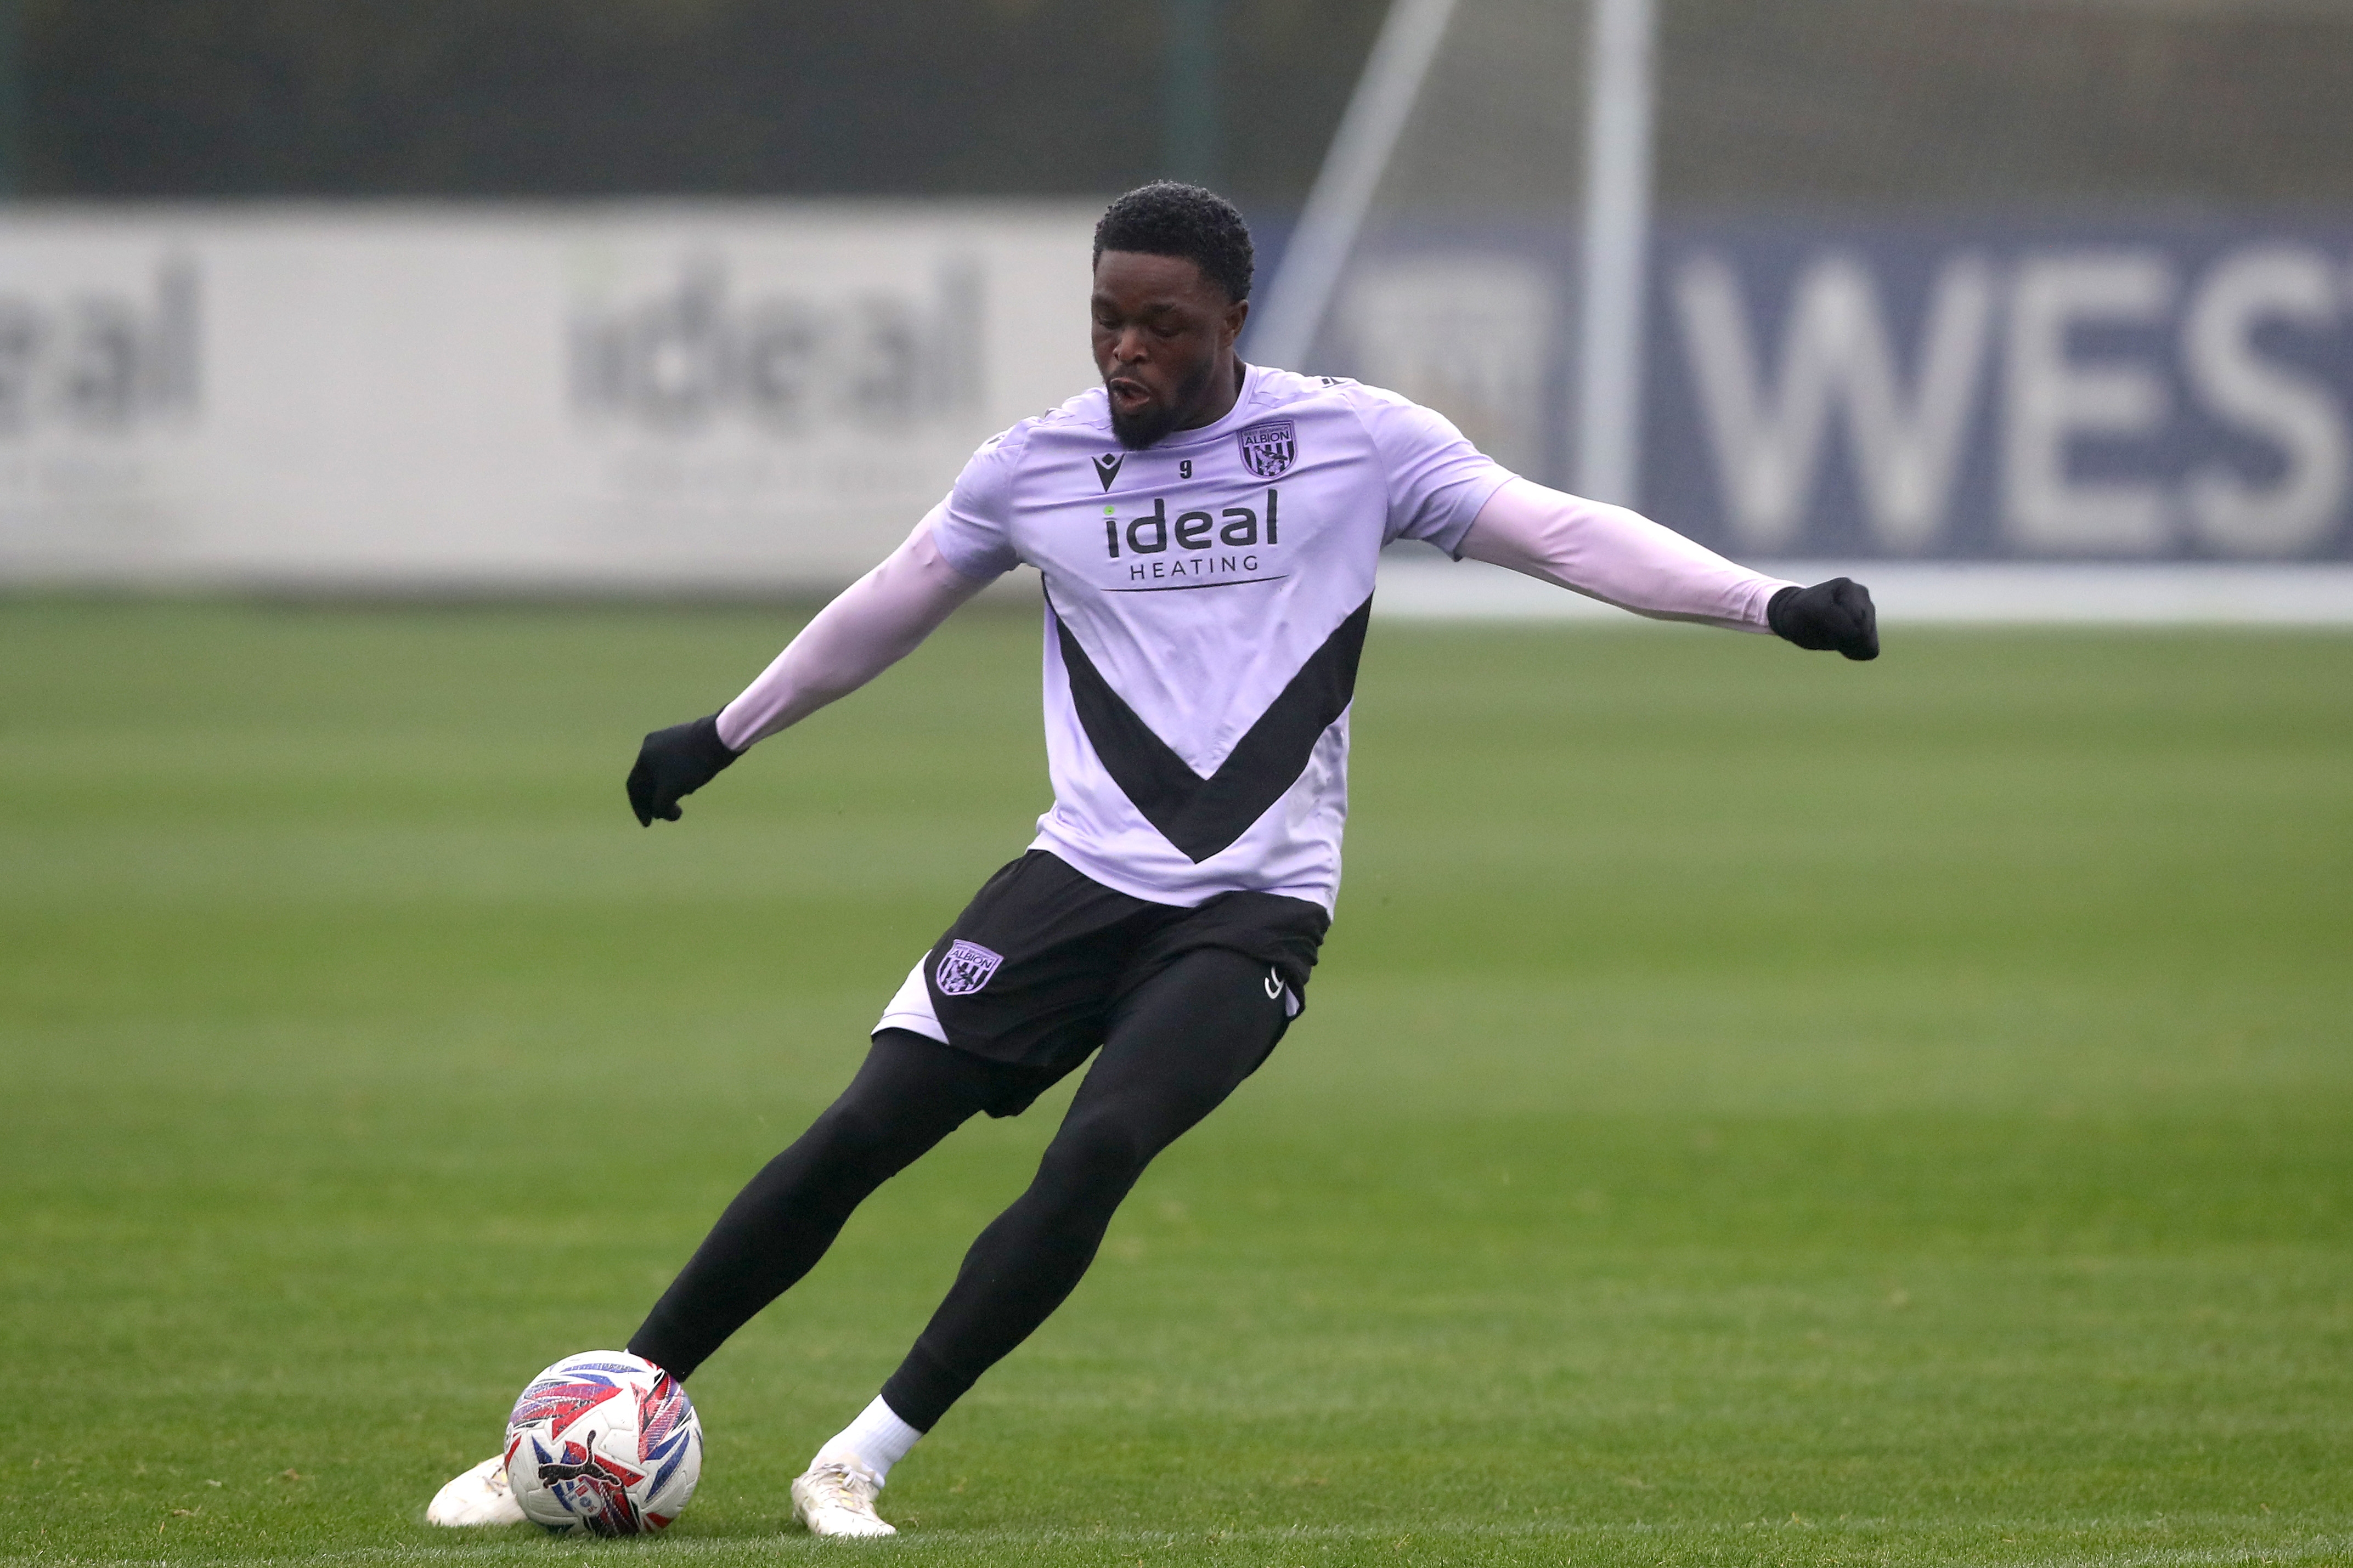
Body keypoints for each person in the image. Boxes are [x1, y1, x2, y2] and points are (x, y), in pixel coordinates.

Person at [426, 181, 1877, 1538]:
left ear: (1233, 322)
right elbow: (892, 600)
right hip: (1073, 880)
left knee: (1103, 1144)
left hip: (1253, 908)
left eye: (1162, 324)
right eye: (1107, 318)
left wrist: (1767, 605)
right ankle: (586, 1424)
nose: (1127, 348)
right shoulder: (1033, 464)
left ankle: (856, 1456)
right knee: (856, 1133)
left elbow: (1560, 533)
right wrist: (725, 732)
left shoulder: (1354, 441)